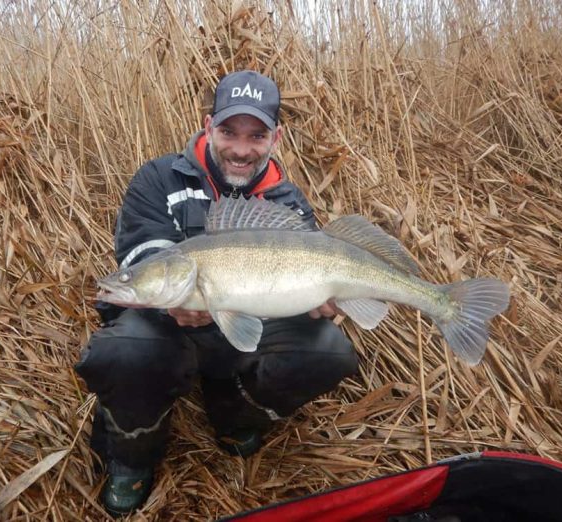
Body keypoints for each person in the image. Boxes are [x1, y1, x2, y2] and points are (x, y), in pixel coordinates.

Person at [75, 70, 360, 517]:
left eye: (257, 135)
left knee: (329, 352)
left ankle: (234, 413)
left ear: (276, 138)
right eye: (229, 132)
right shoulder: (158, 178)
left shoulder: (288, 202)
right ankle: (132, 455)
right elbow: (143, 254)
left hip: (244, 329)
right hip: (167, 327)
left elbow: (305, 287)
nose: (242, 149)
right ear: (208, 126)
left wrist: (322, 307)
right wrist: (169, 301)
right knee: (122, 352)